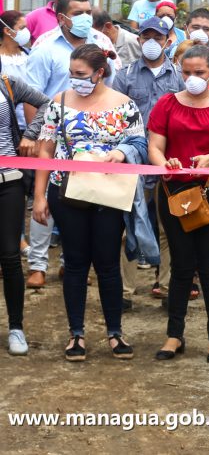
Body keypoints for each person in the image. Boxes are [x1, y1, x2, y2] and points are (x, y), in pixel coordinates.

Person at [33, 43, 147, 362]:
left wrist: (121, 152)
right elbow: (45, 150)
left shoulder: (124, 105)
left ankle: (114, 332)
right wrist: (40, 196)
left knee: (108, 263)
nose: (75, 80)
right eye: (71, 74)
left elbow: (140, 141)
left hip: (108, 194)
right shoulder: (59, 103)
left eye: (81, 75)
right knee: (75, 263)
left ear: (99, 73)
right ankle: (76, 334)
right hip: (66, 193)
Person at [147, 44, 209, 364]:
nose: (192, 78)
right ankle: (174, 334)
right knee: (180, 265)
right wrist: (166, 163)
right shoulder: (166, 104)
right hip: (173, 193)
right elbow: (154, 146)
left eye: (199, 73)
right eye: (187, 73)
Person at [24, 0, 120, 289]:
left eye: (88, 12)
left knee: (80, 203)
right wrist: (37, 137)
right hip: (54, 135)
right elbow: (30, 95)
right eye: (78, 12)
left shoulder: (101, 43)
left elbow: (110, 89)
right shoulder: (44, 48)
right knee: (46, 201)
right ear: (62, 16)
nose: (85, 18)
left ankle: (71, 262)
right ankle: (38, 265)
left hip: (92, 142)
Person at [112, 16, 184, 303]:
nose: (152, 43)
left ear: (169, 40)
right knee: (127, 226)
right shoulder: (125, 76)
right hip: (132, 161)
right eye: (146, 37)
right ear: (139, 39)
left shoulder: (179, 76)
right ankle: (125, 292)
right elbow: (114, 117)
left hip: (168, 162)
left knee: (169, 226)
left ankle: (166, 286)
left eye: (158, 37)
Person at [0, 71, 49, 355]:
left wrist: (31, 134)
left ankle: (16, 328)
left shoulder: (8, 82)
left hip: (9, 180)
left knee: (9, 254)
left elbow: (46, 105)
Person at [0, 11, 32, 131]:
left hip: (31, 123)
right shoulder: (2, 60)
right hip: (7, 127)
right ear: (7, 31)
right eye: (22, 28)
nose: (26, 32)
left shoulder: (29, 54)